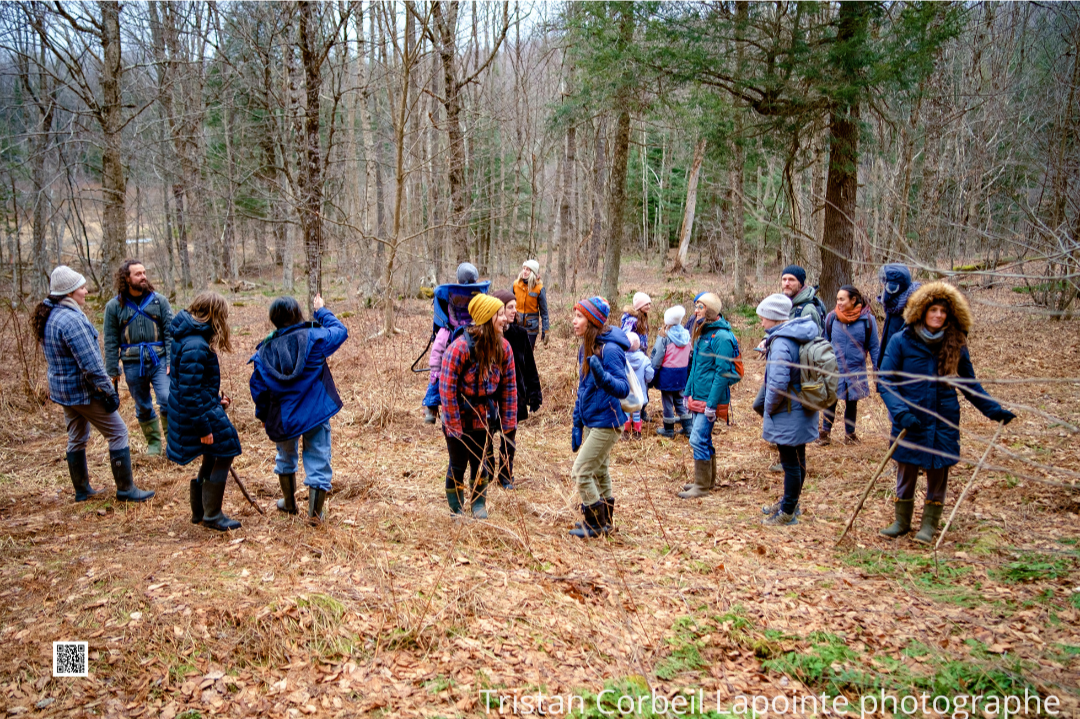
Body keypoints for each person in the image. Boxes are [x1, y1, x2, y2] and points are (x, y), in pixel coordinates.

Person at [878, 282, 1015, 544]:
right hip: (910, 419)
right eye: (934, 310)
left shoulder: (956, 343)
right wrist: (901, 412)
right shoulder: (901, 340)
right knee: (906, 468)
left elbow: (969, 385)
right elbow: (885, 382)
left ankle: (928, 525)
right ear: (922, 311)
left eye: (943, 311)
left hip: (943, 418)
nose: (938, 315)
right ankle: (901, 522)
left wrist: (994, 411)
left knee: (938, 470)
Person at [32, 266, 155, 503]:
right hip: (82, 392)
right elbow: (91, 365)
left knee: (77, 437)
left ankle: (82, 490)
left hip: (63, 391)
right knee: (118, 432)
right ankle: (126, 489)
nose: (86, 291)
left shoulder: (52, 315)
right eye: (82, 287)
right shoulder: (71, 320)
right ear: (69, 292)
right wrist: (108, 392)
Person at [249, 294, 349, 523]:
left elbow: (258, 388)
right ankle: (314, 514)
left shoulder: (264, 352)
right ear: (297, 314)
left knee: (285, 455)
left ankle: (289, 504)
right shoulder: (314, 338)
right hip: (314, 413)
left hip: (284, 417)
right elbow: (340, 331)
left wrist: (263, 415)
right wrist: (321, 311)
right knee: (319, 458)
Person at [167, 292, 243, 532]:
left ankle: (200, 511)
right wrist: (204, 427)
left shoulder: (189, 337)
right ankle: (212, 515)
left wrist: (217, 399)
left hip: (201, 407)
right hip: (196, 413)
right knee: (225, 450)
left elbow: (193, 384)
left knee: (213, 454)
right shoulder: (195, 345)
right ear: (214, 315)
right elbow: (189, 392)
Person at [439, 293, 517, 518]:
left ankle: (478, 504)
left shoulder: (504, 348)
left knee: (481, 463)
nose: (504, 319)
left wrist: (508, 423)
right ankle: (456, 508)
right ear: (486, 319)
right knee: (458, 464)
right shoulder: (459, 349)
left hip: (485, 419)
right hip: (459, 418)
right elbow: (447, 390)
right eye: (499, 314)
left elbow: (509, 388)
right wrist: (454, 426)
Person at [756, 293, 819, 526]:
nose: (761, 321)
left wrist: (769, 408)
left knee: (791, 462)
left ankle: (787, 513)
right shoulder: (797, 333)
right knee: (798, 458)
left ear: (774, 317)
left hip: (789, 409)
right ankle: (791, 502)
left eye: (763, 316)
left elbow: (778, 384)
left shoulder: (782, 341)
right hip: (803, 406)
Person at [569, 296, 630, 538]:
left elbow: (622, 388)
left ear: (592, 321)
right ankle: (606, 521)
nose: (574, 321)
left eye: (579, 317)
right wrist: (576, 422)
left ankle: (595, 523)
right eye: (574, 316)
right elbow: (583, 389)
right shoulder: (586, 346)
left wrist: (602, 376)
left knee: (581, 471)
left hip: (607, 422)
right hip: (592, 421)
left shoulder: (610, 350)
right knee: (599, 471)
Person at [102, 259, 173, 456]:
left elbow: (170, 332)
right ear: (126, 278)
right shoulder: (114, 306)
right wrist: (112, 370)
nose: (143, 277)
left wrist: (171, 360)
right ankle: (154, 444)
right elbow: (110, 340)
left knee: (167, 399)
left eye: (144, 272)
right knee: (142, 405)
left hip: (160, 360)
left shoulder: (159, 301)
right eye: (138, 274)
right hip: (132, 363)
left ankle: (173, 443)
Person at [678, 293, 741, 499]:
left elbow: (723, 373)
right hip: (698, 395)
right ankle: (707, 481)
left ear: (711, 311)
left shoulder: (721, 337)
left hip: (709, 399)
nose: (696, 311)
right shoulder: (703, 333)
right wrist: (688, 393)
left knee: (697, 439)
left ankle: (701, 485)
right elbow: (695, 366)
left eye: (700, 307)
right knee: (702, 438)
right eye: (696, 307)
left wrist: (712, 405)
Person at [491, 289, 542, 489]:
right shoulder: (489, 335)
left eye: (514, 307)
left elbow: (530, 366)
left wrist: (534, 393)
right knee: (487, 436)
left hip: (514, 395)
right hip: (492, 395)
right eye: (509, 307)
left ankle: (505, 476)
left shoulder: (520, 334)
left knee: (509, 437)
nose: (514, 311)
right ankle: (485, 472)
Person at [819, 285, 880, 445]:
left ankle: (850, 435)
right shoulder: (832, 318)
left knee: (852, 402)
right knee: (830, 401)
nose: (838, 302)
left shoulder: (868, 321)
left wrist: (877, 369)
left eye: (842, 299)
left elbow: (874, 346)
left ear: (853, 300)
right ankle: (825, 434)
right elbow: (824, 342)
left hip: (856, 369)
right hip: (834, 368)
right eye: (837, 299)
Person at [423, 262, 483, 424]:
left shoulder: (452, 293)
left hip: (451, 333)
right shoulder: (478, 293)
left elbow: (437, 350)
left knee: (438, 374)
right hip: (471, 333)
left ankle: (432, 407)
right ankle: (435, 408)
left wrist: (435, 369)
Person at [652, 305, 692, 439]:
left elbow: (657, 357)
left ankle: (668, 430)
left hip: (667, 374)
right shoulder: (686, 336)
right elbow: (690, 355)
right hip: (681, 374)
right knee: (680, 400)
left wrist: (653, 373)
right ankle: (688, 428)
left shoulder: (664, 336)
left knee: (667, 402)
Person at [877, 263, 920, 370]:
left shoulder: (914, 311)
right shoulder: (893, 308)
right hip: (889, 370)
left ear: (893, 286)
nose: (882, 285)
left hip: (901, 376)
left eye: (884, 282)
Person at [621, 292, 653, 420]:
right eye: (646, 304)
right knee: (633, 383)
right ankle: (632, 410)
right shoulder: (631, 320)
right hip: (631, 354)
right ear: (639, 305)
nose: (649, 306)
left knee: (642, 382)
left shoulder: (643, 318)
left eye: (650, 303)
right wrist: (634, 347)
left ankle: (640, 410)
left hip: (641, 354)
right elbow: (626, 337)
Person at [622, 332, 654, 441]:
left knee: (625, 410)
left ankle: (625, 431)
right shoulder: (644, 359)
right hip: (638, 392)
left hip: (625, 392)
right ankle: (637, 432)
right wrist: (646, 381)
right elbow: (650, 375)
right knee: (637, 411)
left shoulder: (622, 358)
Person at [513, 259, 549, 348]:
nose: (524, 272)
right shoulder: (515, 285)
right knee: (516, 354)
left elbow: (544, 312)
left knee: (527, 355)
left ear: (533, 272)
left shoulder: (539, 288)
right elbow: (508, 306)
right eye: (524, 268)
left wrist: (546, 330)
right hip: (516, 326)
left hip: (531, 329)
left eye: (528, 270)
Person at [780, 265, 826, 334]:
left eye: (791, 280)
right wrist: (765, 340)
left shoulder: (808, 310)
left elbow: (814, 342)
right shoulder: (780, 304)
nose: (786, 283)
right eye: (784, 279)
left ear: (800, 284)